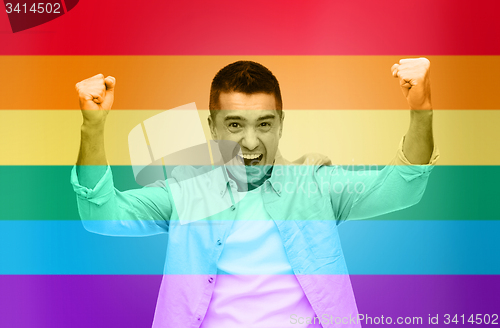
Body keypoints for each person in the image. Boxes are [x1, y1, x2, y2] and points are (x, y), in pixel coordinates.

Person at [71, 59, 439, 328]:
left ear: (281, 124)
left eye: (264, 124)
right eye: (234, 125)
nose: (250, 142)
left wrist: (420, 111)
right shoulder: (187, 193)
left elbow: (400, 189)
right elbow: (102, 216)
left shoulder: (315, 185)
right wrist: (92, 127)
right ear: (212, 127)